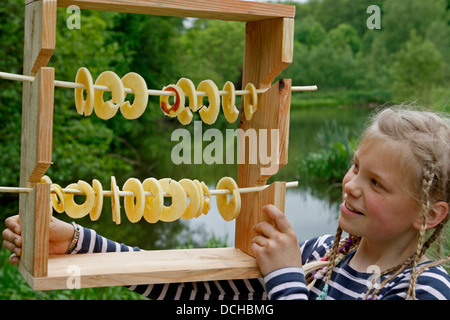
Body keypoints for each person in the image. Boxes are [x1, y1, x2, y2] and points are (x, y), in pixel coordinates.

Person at [2, 106, 450, 300]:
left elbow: (283, 289)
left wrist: (286, 279)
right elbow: (198, 289)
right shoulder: (319, 257)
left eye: (376, 183)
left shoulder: (427, 289)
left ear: (427, 214)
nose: (350, 185)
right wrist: (83, 242)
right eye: (355, 167)